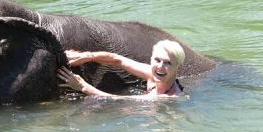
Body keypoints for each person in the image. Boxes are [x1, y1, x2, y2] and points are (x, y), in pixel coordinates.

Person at [57, 39, 186, 99]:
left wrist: (82, 86)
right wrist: (86, 56)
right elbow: (118, 60)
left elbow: (117, 100)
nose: (160, 66)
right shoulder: (154, 73)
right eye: (157, 60)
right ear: (151, 59)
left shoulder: (170, 97)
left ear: (177, 66)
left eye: (168, 63)